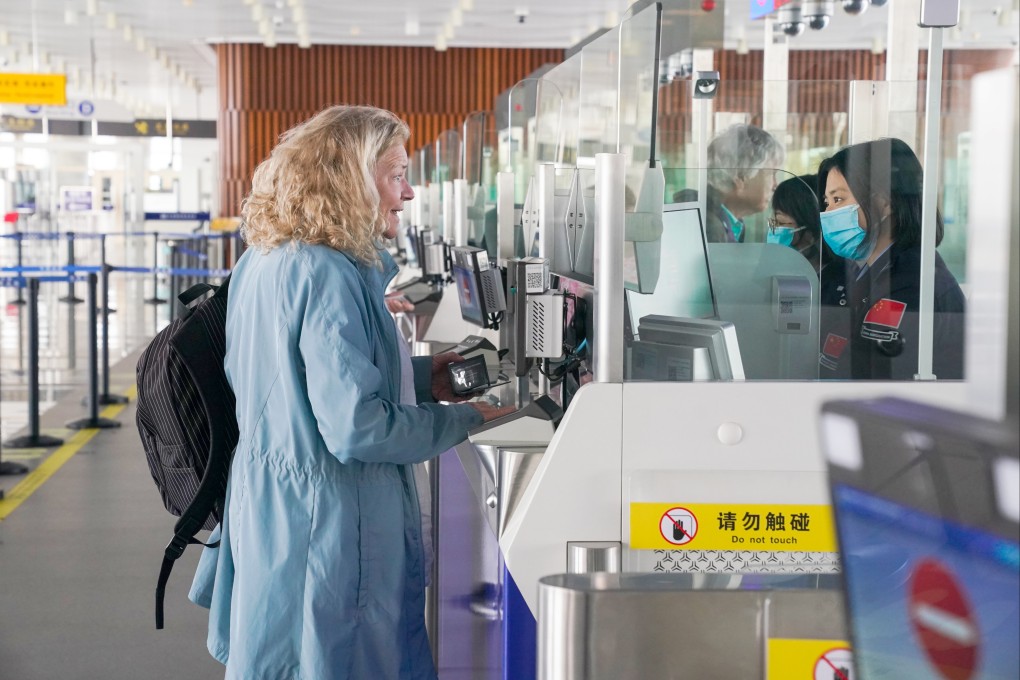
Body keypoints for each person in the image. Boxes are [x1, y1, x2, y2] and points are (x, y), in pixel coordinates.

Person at [188, 105, 512, 680]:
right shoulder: (327, 273)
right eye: (395, 175)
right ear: (349, 179)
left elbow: (294, 386)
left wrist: (422, 378)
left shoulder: (264, 258)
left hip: (277, 509)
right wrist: (471, 418)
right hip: (331, 526)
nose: (407, 193)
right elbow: (358, 428)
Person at [816, 138, 965, 380]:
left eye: (839, 199)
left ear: (885, 203)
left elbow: (870, 374)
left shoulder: (911, 283)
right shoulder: (866, 272)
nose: (827, 213)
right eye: (827, 202)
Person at [705, 124, 785, 243]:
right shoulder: (709, 229)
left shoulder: (732, 225)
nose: (775, 185)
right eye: (770, 174)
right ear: (740, 176)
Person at [767, 173, 834, 274]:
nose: (773, 230)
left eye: (781, 222)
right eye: (773, 222)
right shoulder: (782, 272)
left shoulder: (839, 280)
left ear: (812, 233)